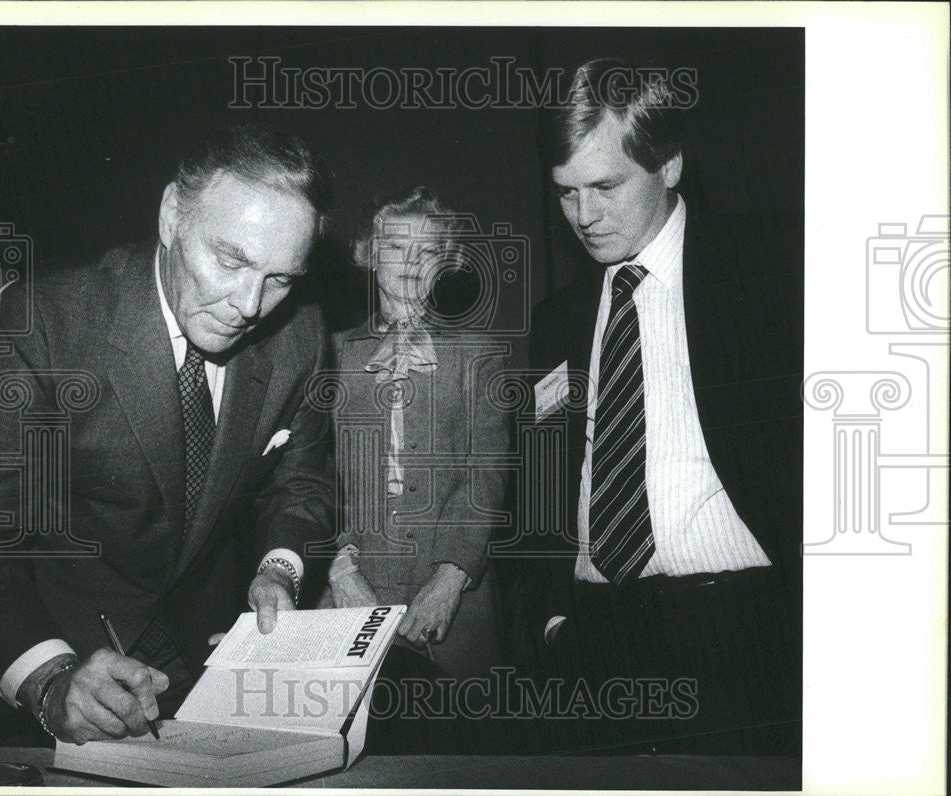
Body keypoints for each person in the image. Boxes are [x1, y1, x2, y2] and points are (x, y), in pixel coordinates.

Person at [0, 124, 336, 746]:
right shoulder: (44, 328)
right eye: (231, 259)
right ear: (172, 216)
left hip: (210, 655)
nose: (249, 305)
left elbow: (299, 482)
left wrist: (279, 570)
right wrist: (49, 678)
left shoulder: (300, 334)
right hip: (65, 649)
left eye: (280, 278)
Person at [521, 59, 802, 755]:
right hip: (592, 646)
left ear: (670, 165)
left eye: (606, 186)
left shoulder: (772, 272)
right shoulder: (557, 320)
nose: (584, 216)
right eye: (565, 193)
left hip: (743, 633)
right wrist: (555, 622)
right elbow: (538, 489)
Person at [320, 186, 508, 681]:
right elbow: (311, 480)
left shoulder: (479, 355)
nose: (409, 262)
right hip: (347, 595)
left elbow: (486, 476)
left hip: (452, 605)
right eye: (396, 248)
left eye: (426, 252)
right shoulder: (329, 356)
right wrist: (340, 572)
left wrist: (449, 581)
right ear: (370, 255)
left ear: (446, 264)